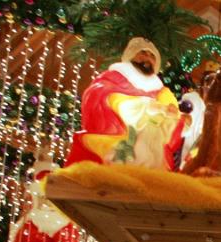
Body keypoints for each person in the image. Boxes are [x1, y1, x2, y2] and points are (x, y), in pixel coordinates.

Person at [66, 38, 184, 171]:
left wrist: (172, 116)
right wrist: (142, 107)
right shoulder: (112, 78)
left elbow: (175, 118)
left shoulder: (161, 90)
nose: (147, 58)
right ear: (131, 55)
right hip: (115, 140)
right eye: (143, 53)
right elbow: (98, 95)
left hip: (153, 147)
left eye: (152, 56)